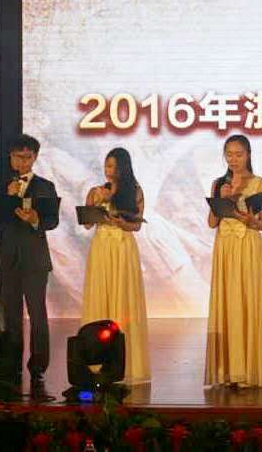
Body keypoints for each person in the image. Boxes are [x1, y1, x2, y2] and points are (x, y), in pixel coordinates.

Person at [0, 134, 59, 390]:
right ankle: (11, 361)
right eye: (17, 157)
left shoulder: (45, 187)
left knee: (37, 313)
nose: (22, 162)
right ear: (10, 158)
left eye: (27, 157)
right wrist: (7, 196)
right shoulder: (1, 187)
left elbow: (52, 220)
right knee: (10, 314)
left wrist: (35, 219)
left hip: (35, 259)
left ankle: (38, 366)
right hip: (7, 258)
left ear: (35, 158)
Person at [204, 134, 262, 388]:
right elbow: (211, 222)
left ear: (248, 155)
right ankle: (227, 372)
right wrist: (223, 201)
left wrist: (248, 219)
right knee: (227, 303)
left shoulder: (259, 183)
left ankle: (248, 370)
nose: (233, 159)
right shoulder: (218, 183)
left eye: (239, 154)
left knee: (248, 301)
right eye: (229, 154)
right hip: (225, 247)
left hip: (248, 246)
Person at [80, 147, 150, 385]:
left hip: (123, 246)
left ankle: (125, 364)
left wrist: (120, 219)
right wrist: (96, 202)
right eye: (107, 166)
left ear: (124, 168)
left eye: (114, 166)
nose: (109, 171)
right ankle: (97, 360)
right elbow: (87, 223)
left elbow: (136, 226)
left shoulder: (135, 191)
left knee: (123, 296)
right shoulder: (96, 190)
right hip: (101, 247)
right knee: (101, 295)